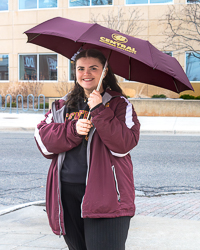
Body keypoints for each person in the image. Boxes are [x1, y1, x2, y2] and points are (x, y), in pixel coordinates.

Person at [34, 49, 140, 250]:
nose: (86, 73)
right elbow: (43, 141)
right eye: (81, 68)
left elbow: (124, 144)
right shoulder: (62, 105)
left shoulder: (119, 104)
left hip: (106, 195)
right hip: (66, 192)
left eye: (93, 68)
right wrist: (72, 130)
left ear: (105, 71)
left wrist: (99, 110)